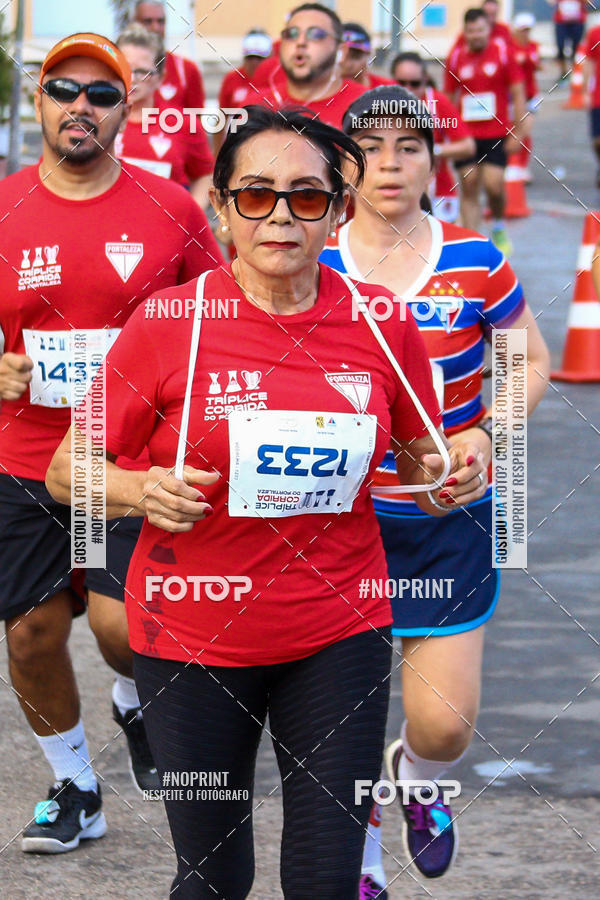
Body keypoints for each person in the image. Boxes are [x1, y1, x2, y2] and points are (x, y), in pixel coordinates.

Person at [47, 104, 486, 898]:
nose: (280, 215)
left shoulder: (381, 321)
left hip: (339, 630)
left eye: (306, 196)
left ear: (337, 212)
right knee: (214, 877)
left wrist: (456, 468)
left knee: (326, 878)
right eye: (255, 195)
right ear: (222, 208)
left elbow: (422, 456)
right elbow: (65, 468)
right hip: (191, 637)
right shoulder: (170, 322)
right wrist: (138, 489)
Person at [320, 85, 550, 895]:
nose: (389, 163)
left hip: (448, 521)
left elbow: (529, 360)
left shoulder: (477, 261)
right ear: (343, 165)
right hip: (337, 524)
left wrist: (486, 433)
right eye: (370, 148)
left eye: (408, 147)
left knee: (444, 726)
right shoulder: (312, 262)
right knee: (338, 725)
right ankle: (360, 863)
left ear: (433, 160)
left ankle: (417, 781)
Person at [0, 32, 222, 853]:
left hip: (130, 463)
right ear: (40, 100)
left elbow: (217, 318)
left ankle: (133, 702)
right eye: (65, 90)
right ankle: (75, 786)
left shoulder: (173, 210)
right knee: (30, 633)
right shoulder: (4, 206)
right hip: (24, 457)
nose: (81, 106)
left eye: (101, 94)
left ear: (129, 109)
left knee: (123, 634)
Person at [445, 8, 526, 255]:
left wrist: (518, 131)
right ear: (465, 32)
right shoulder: (456, 57)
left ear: (488, 30)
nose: (476, 35)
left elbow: (518, 92)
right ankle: (472, 242)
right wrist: (448, 132)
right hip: (466, 135)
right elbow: (448, 97)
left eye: (480, 30)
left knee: (494, 185)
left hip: (496, 133)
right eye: (471, 31)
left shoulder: (502, 53)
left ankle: (498, 225)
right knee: (468, 184)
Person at [115, 24, 214, 207]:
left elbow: (204, 175)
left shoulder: (182, 123)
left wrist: (191, 215)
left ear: (161, 77)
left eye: (142, 72)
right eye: (125, 68)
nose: (132, 78)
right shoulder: (97, 118)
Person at [243, 3, 367, 128]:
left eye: (316, 35)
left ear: (341, 51)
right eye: (291, 34)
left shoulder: (367, 106)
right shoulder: (253, 107)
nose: (300, 42)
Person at [392, 51, 475, 223]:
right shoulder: (382, 105)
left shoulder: (436, 102)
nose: (408, 89)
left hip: (438, 192)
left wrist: (431, 150)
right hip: (397, 189)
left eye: (415, 84)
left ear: (425, 80)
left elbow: (467, 146)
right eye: (401, 83)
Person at [133, 0, 206, 109]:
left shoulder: (186, 70)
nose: (155, 28)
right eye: (148, 21)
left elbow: (195, 118)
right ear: (135, 23)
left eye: (161, 21)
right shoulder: (122, 68)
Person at [214, 29, 273, 156]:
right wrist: (218, 155)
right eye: (250, 57)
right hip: (237, 147)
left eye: (260, 58)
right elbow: (221, 119)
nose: (254, 62)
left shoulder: (275, 80)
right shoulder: (231, 79)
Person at [512, 12, 541, 183]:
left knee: (525, 131)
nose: (525, 33)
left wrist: (525, 59)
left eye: (527, 30)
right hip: (514, 97)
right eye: (522, 30)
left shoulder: (533, 47)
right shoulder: (509, 47)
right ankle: (513, 164)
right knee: (513, 131)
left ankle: (522, 166)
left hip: (530, 96)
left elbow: (536, 64)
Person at [341, 22, 394, 88]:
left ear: (369, 55)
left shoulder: (387, 89)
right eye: (341, 56)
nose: (348, 65)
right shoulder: (327, 91)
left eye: (355, 57)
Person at [547, 0, 588, 80]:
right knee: (560, 46)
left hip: (577, 22)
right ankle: (563, 72)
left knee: (576, 48)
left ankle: (574, 72)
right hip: (561, 22)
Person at [581, 19, 600, 187]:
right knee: (597, 141)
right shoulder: (595, 33)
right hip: (598, 96)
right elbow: (589, 61)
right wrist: (585, 90)